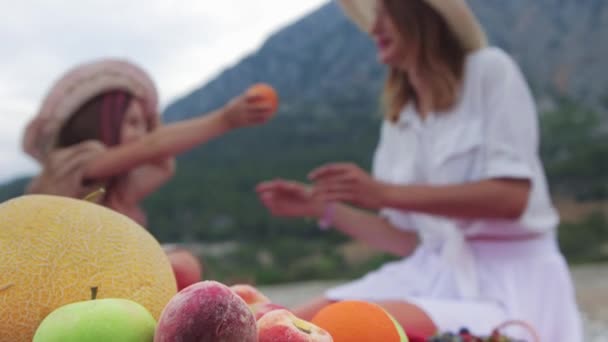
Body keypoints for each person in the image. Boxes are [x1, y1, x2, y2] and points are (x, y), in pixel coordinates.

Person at [256, 0, 582, 340]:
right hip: (431, 272)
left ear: (420, 17)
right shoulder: (401, 118)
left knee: (336, 329)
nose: (374, 28)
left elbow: (512, 198)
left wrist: (384, 193)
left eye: (386, 16)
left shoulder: (489, 70)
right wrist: (323, 209)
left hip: (509, 281)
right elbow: (406, 240)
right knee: (283, 324)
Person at [23, 58, 275, 289]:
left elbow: (163, 165)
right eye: (133, 123)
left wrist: (150, 119)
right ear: (99, 121)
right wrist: (224, 120)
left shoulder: (116, 186)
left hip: (103, 287)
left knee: (182, 262)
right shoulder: (71, 163)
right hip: (61, 285)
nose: (141, 134)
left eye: (145, 125)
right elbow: (150, 148)